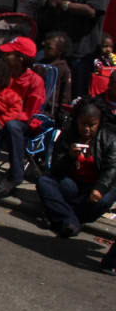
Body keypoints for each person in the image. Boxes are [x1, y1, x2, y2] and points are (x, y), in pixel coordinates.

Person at [36, 98, 116, 238]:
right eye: (83, 124)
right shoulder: (68, 134)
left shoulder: (110, 139)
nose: (86, 129)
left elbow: (111, 168)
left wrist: (100, 188)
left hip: (93, 187)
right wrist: (69, 156)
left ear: (99, 123)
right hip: (72, 184)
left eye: (92, 125)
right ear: (77, 120)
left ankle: (63, 218)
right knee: (44, 182)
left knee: (105, 198)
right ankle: (70, 221)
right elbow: (56, 169)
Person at [0, 37, 47, 196]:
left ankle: (15, 176)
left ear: (20, 59)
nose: (4, 56)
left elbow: (30, 114)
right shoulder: (4, 76)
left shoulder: (36, 81)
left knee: (12, 126)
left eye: (10, 54)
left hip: (23, 123)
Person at [55, 0, 110, 99]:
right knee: (58, 93)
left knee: (78, 94)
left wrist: (66, 5)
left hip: (84, 50)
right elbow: (55, 1)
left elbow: (92, 11)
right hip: (64, 47)